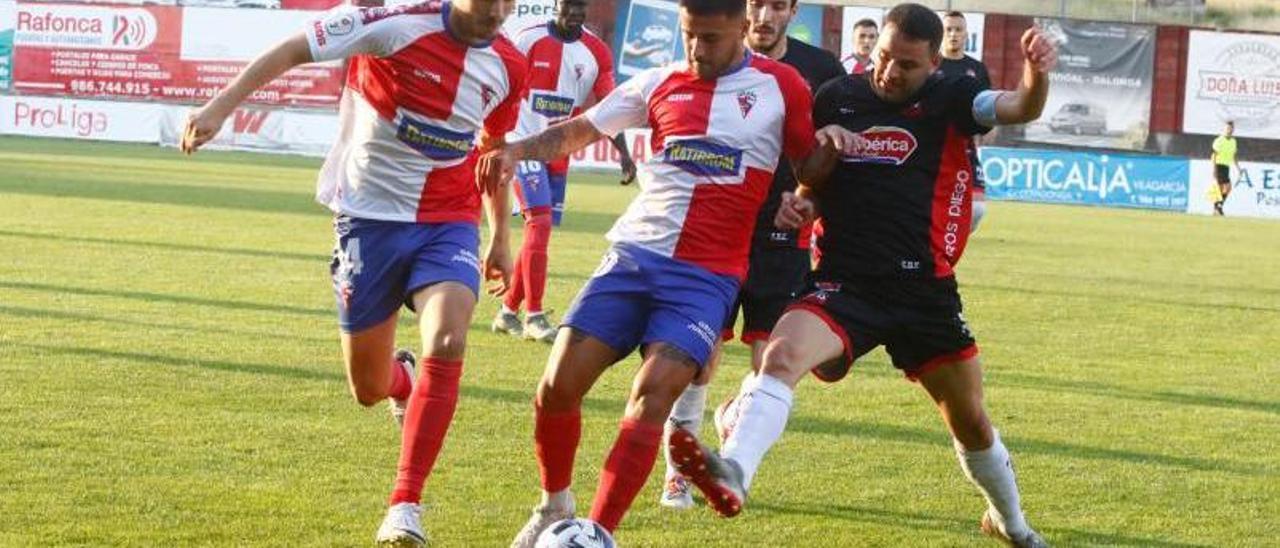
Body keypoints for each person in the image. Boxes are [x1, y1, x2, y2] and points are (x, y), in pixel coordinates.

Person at [669, 4, 1056, 547]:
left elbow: (1018, 106)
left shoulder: (953, 95)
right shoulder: (838, 97)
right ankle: (733, 469)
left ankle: (1010, 523)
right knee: (779, 357)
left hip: (924, 291)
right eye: (882, 58)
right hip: (845, 281)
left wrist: (1037, 74)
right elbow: (815, 179)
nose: (889, 72)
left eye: (906, 65)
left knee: (969, 420)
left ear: (931, 66)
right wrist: (803, 202)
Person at [476, 0, 846, 543]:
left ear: (742, 30)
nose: (698, 48)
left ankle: (598, 532)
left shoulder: (780, 84)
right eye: (689, 34)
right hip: (632, 257)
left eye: (712, 37)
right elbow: (579, 129)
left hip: (706, 276)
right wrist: (515, 150)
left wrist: (823, 160)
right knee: (555, 386)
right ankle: (555, 506)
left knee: (652, 396)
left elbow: (806, 166)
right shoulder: (658, 81)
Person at [181, 1, 525, 546]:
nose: (499, 11)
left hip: (448, 221)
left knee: (450, 335)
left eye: (510, 0)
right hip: (368, 220)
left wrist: (503, 238)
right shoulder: (391, 22)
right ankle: (401, 380)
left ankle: (405, 504)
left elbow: (494, 150)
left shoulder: (509, 63)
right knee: (368, 387)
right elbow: (294, 49)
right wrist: (219, 108)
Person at [656, 0, 845, 511]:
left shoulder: (820, 72)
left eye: (776, 5)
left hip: (780, 242)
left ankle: (738, 414)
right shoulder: (709, 56)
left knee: (772, 362)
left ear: (792, 11)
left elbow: (824, 161)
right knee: (697, 359)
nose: (764, 15)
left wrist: (806, 198)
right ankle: (677, 474)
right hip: (715, 234)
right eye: (756, 4)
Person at [493, 0, 638, 343]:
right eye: (568, 6)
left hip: (559, 152)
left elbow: (609, 108)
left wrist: (625, 154)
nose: (574, 13)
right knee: (539, 223)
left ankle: (507, 311)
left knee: (538, 233)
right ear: (556, 4)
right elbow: (500, 84)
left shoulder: (596, 52)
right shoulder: (526, 39)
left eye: (580, 7)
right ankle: (534, 315)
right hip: (522, 144)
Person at [939, 10, 992, 232]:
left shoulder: (976, 69)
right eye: (948, 30)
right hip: (935, 145)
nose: (953, 34)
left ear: (966, 34)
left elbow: (987, 108)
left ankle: (950, 237)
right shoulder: (931, 64)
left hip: (965, 146)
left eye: (958, 30)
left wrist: (984, 134)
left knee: (977, 208)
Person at [1210, 121, 1240, 216]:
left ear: (1233, 130)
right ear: (1224, 129)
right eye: (1227, 128)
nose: (1229, 130)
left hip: (1226, 166)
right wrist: (1214, 168)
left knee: (1225, 188)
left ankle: (1217, 208)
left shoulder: (1233, 142)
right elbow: (1214, 155)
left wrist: (1238, 168)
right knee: (1226, 187)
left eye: (1231, 129)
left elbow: (1233, 156)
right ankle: (1218, 207)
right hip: (1219, 165)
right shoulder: (1219, 140)